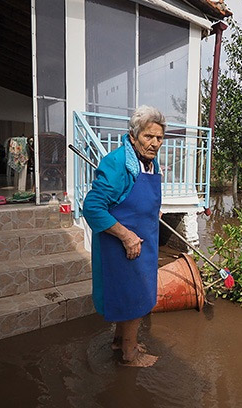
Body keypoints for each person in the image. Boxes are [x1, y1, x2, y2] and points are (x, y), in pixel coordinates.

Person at [82, 106, 165, 368]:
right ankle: (130, 355)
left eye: (159, 138)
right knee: (134, 296)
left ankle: (120, 341)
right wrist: (126, 236)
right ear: (133, 136)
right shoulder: (118, 163)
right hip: (124, 244)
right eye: (148, 137)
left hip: (145, 240)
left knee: (132, 294)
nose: (154, 143)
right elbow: (93, 207)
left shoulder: (149, 162)